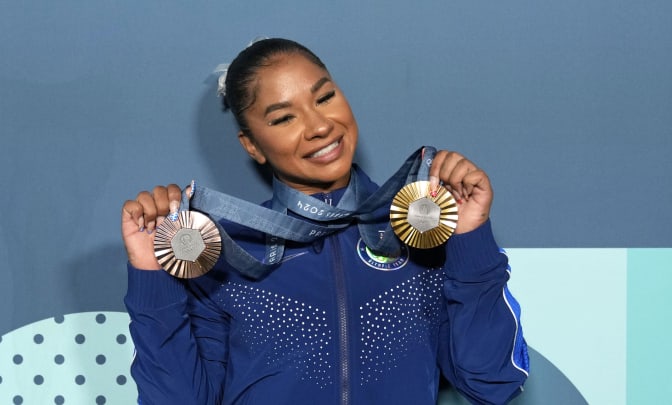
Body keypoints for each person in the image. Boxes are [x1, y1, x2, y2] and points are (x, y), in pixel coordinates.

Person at [121, 38, 529, 405]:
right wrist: (153, 276)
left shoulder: (421, 233)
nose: (319, 126)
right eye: (283, 118)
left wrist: (469, 237)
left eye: (325, 97)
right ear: (252, 145)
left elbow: (493, 381)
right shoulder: (228, 256)